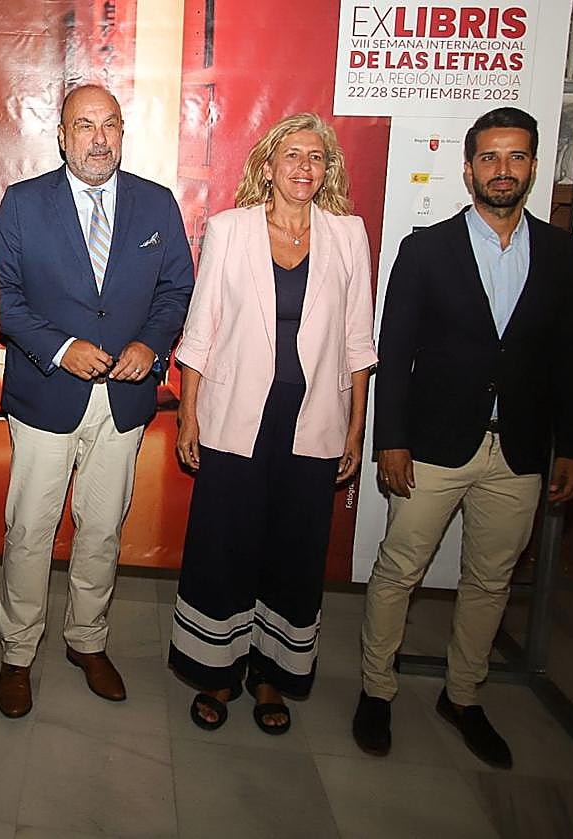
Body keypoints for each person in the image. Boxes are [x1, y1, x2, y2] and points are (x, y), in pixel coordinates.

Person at [354, 107, 573, 768]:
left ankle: (462, 696)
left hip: (518, 450)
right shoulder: (426, 249)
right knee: (399, 569)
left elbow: (572, 359)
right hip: (432, 446)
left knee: (490, 581)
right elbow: (394, 353)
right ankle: (376, 689)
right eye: (489, 157)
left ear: (533, 167)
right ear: (468, 169)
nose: (502, 169)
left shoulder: (562, 254)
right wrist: (391, 439)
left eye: (515, 157)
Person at [0, 84, 194, 717]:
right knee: (30, 529)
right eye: (84, 125)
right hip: (46, 393)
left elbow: (177, 290)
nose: (98, 138)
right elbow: (0, 295)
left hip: (124, 400)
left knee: (103, 528)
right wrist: (59, 348)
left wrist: (150, 345)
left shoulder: (156, 204)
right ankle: (18, 652)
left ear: (123, 132)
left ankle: (87, 640)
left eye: (109, 125)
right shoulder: (23, 204)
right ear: (62, 136)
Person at [168, 113, 377, 734]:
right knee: (225, 544)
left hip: (313, 421)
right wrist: (188, 416)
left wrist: (355, 429)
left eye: (315, 157)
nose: (303, 168)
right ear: (267, 166)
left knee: (293, 550)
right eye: (291, 155)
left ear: (327, 170)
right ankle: (216, 670)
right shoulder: (229, 229)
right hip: (234, 418)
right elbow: (200, 329)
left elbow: (358, 342)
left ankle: (271, 675)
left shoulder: (348, 235)